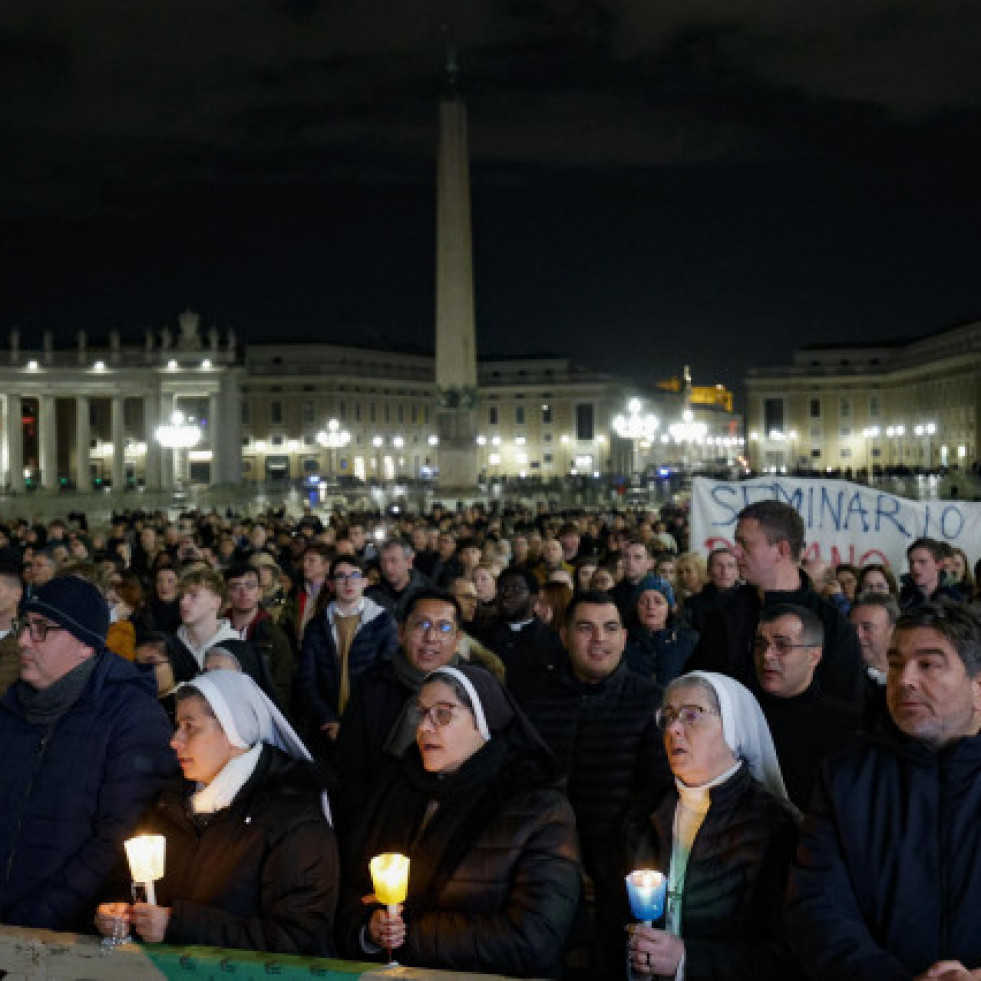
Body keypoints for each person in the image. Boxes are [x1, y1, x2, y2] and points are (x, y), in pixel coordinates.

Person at [337, 663, 581, 977]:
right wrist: (369, 928)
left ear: (484, 721)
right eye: (421, 712)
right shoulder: (399, 788)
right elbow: (348, 892)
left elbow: (533, 939)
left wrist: (409, 932)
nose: (425, 727)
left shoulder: (537, 807)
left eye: (443, 713)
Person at [787, 600, 981, 979]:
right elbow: (817, 906)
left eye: (928, 664)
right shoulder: (846, 779)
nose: (905, 679)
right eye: (895, 664)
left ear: (978, 684)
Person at [95, 670, 338, 955]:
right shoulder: (169, 805)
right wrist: (116, 911)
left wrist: (178, 925)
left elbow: (297, 939)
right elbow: (124, 882)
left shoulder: (294, 823)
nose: (175, 740)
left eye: (190, 726)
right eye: (177, 726)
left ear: (234, 731)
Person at [0, 577, 177, 930]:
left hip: (67, 932)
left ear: (84, 645)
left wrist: (35, 919)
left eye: (40, 630)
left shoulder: (132, 717)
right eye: (23, 625)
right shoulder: (12, 708)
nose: (22, 640)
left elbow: (117, 838)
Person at [523, 590, 672, 979]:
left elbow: (652, 798)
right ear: (564, 636)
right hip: (541, 868)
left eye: (609, 629)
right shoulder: (535, 700)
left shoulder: (650, 702)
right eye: (586, 628)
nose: (598, 640)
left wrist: (604, 866)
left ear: (624, 637)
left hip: (619, 878)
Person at [624, 671, 802, 980]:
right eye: (667, 717)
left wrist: (686, 960)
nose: (674, 728)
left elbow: (786, 954)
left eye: (692, 715)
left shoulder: (776, 826)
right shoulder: (646, 812)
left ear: (733, 727)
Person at [688, 499, 865, 710]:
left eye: (744, 543)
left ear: (782, 549)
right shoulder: (726, 613)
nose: (735, 552)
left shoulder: (832, 625)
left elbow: (846, 708)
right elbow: (698, 688)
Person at [332, 589, 463, 829]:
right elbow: (350, 762)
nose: (431, 637)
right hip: (375, 813)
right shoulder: (372, 685)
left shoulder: (472, 692)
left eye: (444, 628)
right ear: (401, 632)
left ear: (457, 640)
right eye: (421, 625)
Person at [753, 604, 862, 810]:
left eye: (782, 645)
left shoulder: (844, 725)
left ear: (814, 656)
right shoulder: (736, 712)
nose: (767, 655)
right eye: (760, 644)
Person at [296, 555, 398, 745]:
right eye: (341, 576)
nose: (348, 582)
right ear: (331, 584)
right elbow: (307, 679)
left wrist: (358, 720)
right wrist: (328, 717)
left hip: (369, 722)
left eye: (355, 575)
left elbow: (387, 676)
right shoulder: (317, 626)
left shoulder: (382, 622)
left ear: (365, 582)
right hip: (326, 724)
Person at [624, 574, 698, 688]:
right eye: (644, 601)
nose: (651, 607)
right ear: (636, 607)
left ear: (670, 607)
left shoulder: (688, 641)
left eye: (658, 601)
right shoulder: (623, 641)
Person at [849, 591, 900, 732]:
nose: (857, 635)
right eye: (853, 628)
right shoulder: (843, 682)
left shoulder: (911, 676)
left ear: (893, 631)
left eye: (867, 628)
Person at [682, 547, 740, 633]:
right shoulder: (692, 604)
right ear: (709, 570)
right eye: (719, 565)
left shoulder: (751, 602)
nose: (724, 571)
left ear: (737, 572)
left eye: (730, 566)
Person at [900, 537, 962, 610]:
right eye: (911, 562)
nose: (914, 567)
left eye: (922, 561)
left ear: (938, 565)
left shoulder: (954, 598)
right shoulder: (902, 599)